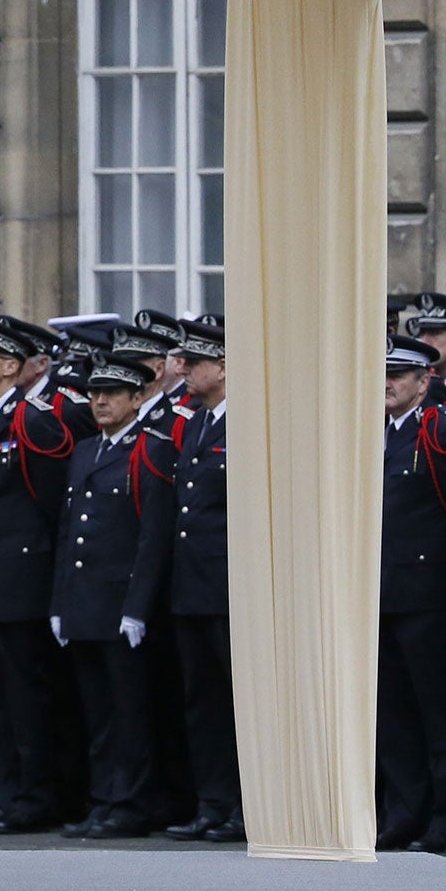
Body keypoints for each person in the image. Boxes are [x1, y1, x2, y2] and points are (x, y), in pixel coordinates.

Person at [0, 314, 88, 835]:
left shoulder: (33, 419)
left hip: (20, 575)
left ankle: (36, 795)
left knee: (26, 696)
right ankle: (2, 793)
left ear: (12, 366)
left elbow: (54, 502)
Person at [50, 357, 172, 840]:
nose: (100, 401)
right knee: (98, 713)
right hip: (84, 601)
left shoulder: (151, 449)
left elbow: (153, 535)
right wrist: (59, 602)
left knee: (129, 712)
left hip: (121, 602)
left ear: (138, 398)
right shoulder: (84, 451)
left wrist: (138, 607)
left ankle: (132, 801)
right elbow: (68, 531)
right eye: (95, 393)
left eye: (113, 393)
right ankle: (103, 798)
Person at [378, 333, 446, 855]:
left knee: (441, 713)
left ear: (425, 381)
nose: (387, 383)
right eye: (383, 374)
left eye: (398, 375)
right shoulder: (374, 434)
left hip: (429, 591)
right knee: (393, 717)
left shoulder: (437, 429)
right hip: (381, 594)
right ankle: (405, 814)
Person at [166, 316, 241, 843]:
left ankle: (244, 805)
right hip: (193, 584)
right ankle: (213, 802)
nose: (183, 369)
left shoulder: (247, 423)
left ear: (225, 366)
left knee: (239, 702)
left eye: (195, 362)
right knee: (203, 702)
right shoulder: (196, 421)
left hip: (231, 586)